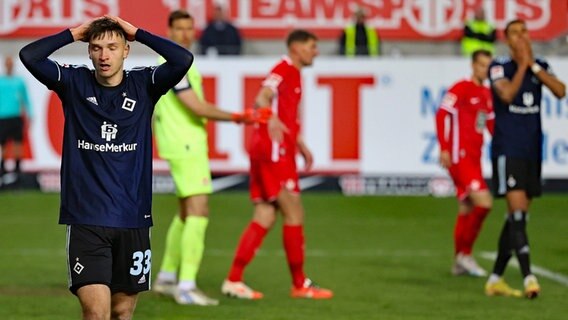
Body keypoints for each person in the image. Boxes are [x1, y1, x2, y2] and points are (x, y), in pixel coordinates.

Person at [19, 16, 192, 319]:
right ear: (88, 51)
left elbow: (183, 59)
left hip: (134, 218)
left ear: (127, 50)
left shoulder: (145, 84)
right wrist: (73, 33)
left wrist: (138, 32)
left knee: (122, 312)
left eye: (113, 47)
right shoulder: (74, 82)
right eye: (97, 47)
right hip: (87, 218)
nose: (104, 55)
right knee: (96, 313)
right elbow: (29, 56)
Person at [152, 9, 258, 306]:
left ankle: (167, 277)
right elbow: (196, 108)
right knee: (199, 211)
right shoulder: (174, 63)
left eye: (189, 28)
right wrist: (238, 117)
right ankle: (186, 286)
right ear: (169, 31)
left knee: (186, 212)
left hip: (182, 145)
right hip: (185, 146)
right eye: (179, 29)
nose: (185, 34)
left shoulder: (180, 62)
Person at [221, 29, 333, 300]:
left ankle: (233, 280)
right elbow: (262, 96)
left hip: (270, 149)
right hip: (273, 152)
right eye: (312, 46)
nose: (315, 51)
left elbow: (284, 114)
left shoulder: (292, 72)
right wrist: (268, 116)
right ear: (296, 47)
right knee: (294, 213)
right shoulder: (284, 69)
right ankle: (299, 284)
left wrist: (300, 143)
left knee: (265, 216)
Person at [485, 19, 565, 299]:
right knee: (517, 213)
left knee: (517, 218)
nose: (521, 37)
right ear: (507, 41)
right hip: (508, 148)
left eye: (524, 32)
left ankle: (495, 278)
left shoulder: (539, 65)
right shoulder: (499, 66)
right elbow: (506, 94)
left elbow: (560, 90)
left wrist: (532, 66)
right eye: (514, 34)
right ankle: (529, 277)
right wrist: (521, 66)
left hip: (532, 150)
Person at [435, 49, 494, 277]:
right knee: (484, 203)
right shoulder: (461, 87)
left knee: (467, 207)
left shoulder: (487, 93)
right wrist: (445, 147)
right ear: (473, 65)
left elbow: (489, 126)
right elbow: (442, 114)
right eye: (481, 65)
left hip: (475, 157)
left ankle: (458, 261)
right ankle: (465, 254)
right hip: (460, 157)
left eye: (488, 66)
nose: (484, 70)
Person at [0, 56, 32, 185]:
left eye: (10, 63)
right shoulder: (1, 81)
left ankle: (17, 170)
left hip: (16, 117)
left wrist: (30, 115)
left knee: (18, 143)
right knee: (3, 144)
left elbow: (26, 100)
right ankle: (3, 169)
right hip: (2, 116)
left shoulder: (19, 82)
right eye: (7, 63)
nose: (9, 66)